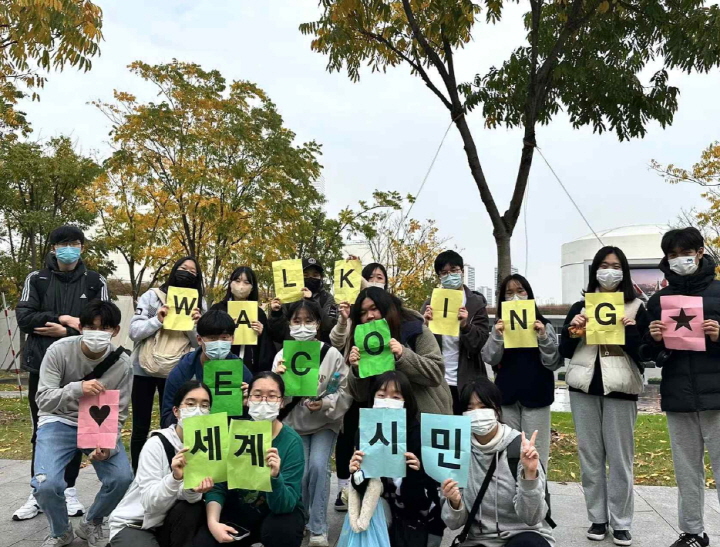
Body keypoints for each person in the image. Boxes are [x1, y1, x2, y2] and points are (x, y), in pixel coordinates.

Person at [14, 225, 111, 521]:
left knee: (78, 429)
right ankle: (38, 490)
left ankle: (68, 489)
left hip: (84, 369)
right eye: (63, 243)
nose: (70, 248)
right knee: (42, 430)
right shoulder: (37, 278)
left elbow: (103, 322)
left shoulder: (95, 281)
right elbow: (24, 316)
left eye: (76, 243)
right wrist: (60, 317)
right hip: (43, 369)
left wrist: (65, 330)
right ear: (53, 248)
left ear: (82, 247)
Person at [559, 246, 648, 546]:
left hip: (621, 389)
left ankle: (622, 522)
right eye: (603, 265)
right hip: (583, 387)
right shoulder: (580, 306)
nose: (609, 271)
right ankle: (597, 519)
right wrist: (575, 332)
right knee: (590, 457)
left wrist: (631, 332)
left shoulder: (636, 307)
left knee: (621, 459)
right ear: (594, 269)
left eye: (615, 265)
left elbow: (645, 355)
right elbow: (564, 353)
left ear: (624, 271)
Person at [641, 228, 720, 547]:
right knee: (687, 471)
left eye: (683, 253)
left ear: (700, 252)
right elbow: (648, 353)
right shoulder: (660, 300)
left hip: (717, 397)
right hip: (678, 394)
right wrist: (655, 339)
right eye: (671, 255)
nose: (678, 260)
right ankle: (692, 532)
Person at [32, 299, 134, 547]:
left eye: (104, 328)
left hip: (98, 421)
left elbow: (119, 409)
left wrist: (108, 441)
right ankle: (60, 531)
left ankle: (93, 522)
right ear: (80, 327)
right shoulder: (59, 350)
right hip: (58, 418)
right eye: (90, 327)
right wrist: (77, 389)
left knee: (121, 477)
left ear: (115, 331)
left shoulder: (123, 364)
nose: (97, 334)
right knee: (46, 484)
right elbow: (43, 399)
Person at [193, 371, 306, 547]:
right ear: (248, 399)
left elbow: (285, 505)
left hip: (276, 513)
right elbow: (218, 485)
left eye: (272, 396)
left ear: (282, 402)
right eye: (257, 395)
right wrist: (213, 523)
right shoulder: (233, 433)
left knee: (284, 530)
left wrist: (274, 477)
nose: (263, 401)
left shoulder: (291, 442)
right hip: (237, 510)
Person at [272, 300, 352, 547]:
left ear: (318, 325)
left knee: (318, 467)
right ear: (289, 325)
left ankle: (318, 527)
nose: (302, 326)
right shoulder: (282, 356)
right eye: (297, 321)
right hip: (295, 423)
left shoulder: (331, 354)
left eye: (308, 321)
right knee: (302, 471)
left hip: (324, 423)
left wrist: (326, 403)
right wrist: (279, 379)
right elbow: (273, 398)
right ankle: (302, 520)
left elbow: (344, 390)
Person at [440, 377, 554, 547]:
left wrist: (530, 477)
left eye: (483, 406)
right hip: (480, 540)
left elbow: (532, 518)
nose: (477, 413)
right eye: (469, 408)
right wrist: (454, 502)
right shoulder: (457, 451)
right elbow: (454, 523)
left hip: (524, 535)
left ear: (497, 410)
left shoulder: (519, 449)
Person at [109, 380, 215, 547]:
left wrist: (194, 489)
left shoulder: (206, 446)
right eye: (190, 404)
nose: (197, 410)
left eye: (204, 405)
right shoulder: (156, 444)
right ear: (176, 411)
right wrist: (174, 478)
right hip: (136, 524)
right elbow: (150, 503)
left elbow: (188, 497)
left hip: (166, 524)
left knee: (192, 507)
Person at [345, 370, 444, 547]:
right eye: (381, 395)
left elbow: (424, 499)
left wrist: (417, 472)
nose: (387, 401)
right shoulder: (364, 432)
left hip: (413, 518)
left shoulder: (418, 435)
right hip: (379, 514)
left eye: (396, 397)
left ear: (407, 402)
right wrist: (356, 473)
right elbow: (361, 491)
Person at [130, 256, 205, 472]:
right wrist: (157, 320)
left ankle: (170, 471)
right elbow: (134, 332)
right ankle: (138, 475)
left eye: (193, 272)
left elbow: (198, 342)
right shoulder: (152, 297)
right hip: (144, 368)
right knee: (140, 427)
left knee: (173, 424)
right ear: (173, 270)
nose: (187, 273)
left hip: (177, 372)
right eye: (183, 268)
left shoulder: (200, 303)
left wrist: (194, 324)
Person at [481, 274, 562, 468]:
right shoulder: (499, 327)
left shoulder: (545, 325)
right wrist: (497, 336)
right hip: (507, 397)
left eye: (520, 291)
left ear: (529, 294)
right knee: (510, 451)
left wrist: (542, 337)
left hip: (537, 396)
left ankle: (537, 493)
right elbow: (489, 357)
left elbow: (554, 362)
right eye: (509, 293)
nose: (515, 297)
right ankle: (510, 493)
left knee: (536, 450)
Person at [329, 261, 388, 512]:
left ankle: (376, 487)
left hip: (380, 386)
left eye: (380, 277)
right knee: (348, 435)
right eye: (370, 277)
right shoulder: (355, 313)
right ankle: (345, 486)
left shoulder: (387, 314)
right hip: (353, 383)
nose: (376, 280)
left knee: (376, 436)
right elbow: (335, 339)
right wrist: (344, 320)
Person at [347, 287, 453, 416]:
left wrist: (403, 355)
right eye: (363, 313)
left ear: (386, 308)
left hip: (424, 419)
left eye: (374, 309)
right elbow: (360, 396)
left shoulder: (416, 330)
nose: (369, 316)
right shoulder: (362, 342)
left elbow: (436, 374)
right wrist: (357, 371)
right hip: (385, 421)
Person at [421, 250, 490, 414]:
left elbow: (479, 343)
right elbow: (417, 343)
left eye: (454, 270)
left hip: (466, 381)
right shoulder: (430, 303)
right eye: (444, 273)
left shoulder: (476, 304)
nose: (449, 275)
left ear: (462, 272)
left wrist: (466, 326)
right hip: (437, 381)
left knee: (466, 430)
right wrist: (423, 324)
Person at [161, 310, 253, 427]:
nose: (219, 343)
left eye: (224, 338)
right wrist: (185, 414)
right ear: (199, 340)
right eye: (212, 338)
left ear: (232, 339)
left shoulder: (240, 371)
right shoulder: (183, 372)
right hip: (191, 436)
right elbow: (166, 419)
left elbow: (253, 423)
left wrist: (250, 404)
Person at [209, 266, 274, 373]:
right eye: (237, 281)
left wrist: (262, 333)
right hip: (222, 362)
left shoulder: (259, 313)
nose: (241, 286)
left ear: (252, 287)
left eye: (246, 282)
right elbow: (207, 335)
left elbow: (266, 348)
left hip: (249, 365)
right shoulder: (217, 309)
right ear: (230, 283)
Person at [269, 257, 338, 345]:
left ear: (321, 277)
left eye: (315, 275)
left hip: (318, 349)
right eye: (306, 275)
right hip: (291, 348)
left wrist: (312, 301)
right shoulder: (288, 297)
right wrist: (276, 313)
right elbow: (278, 331)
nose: (310, 278)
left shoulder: (328, 298)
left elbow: (330, 326)